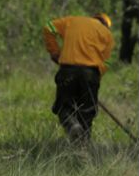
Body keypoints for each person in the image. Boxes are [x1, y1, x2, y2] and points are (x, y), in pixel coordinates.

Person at [42, 13, 115, 145]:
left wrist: (54, 52)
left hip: (68, 70)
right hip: (90, 73)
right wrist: (95, 78)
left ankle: (72, 125)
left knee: (64, 107)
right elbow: (106, 62)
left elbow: (49, 27)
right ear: (105, 24)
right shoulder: (107, 34)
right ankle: (83, 147)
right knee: (87, 112)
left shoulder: (72, 21)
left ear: (94, 17)